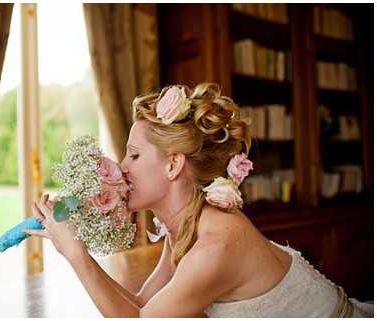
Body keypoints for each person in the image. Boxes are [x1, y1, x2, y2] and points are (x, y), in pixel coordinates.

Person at [23, 83, 373, 317]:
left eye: (133, 155)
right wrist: (74, 246)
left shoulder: (216, 243)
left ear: (174, 164)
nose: (121, 167)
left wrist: (76, 253)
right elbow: (144, 306)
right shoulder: (183, 224)